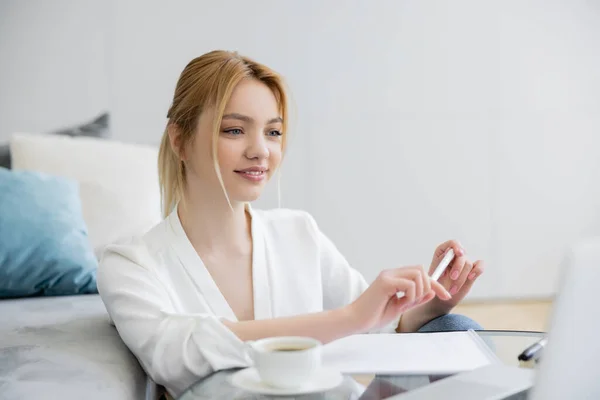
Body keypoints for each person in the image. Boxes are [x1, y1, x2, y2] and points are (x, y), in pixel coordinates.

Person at [96, 50, 485, 398]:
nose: (260, 150)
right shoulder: (131, 263)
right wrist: (348, 317)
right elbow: (174, 354)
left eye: (273, 132)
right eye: (234, 129)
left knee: (455, 329)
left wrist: (425, 309)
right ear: (180, 141)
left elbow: (375, 329)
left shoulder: (298, 232)